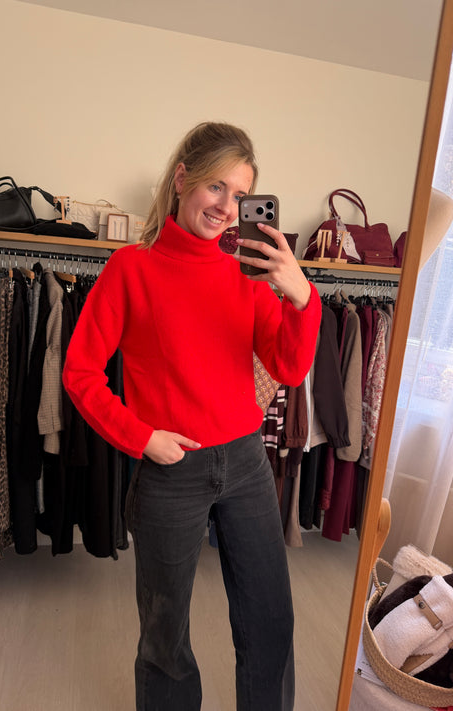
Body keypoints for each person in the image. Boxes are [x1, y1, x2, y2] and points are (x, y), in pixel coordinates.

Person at [62, 121, 322, 711]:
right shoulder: (131, 268)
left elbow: (286, 366)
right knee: (165, 636)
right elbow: (79, 373)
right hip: (171, 469)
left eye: (240, 194)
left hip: (247, 463)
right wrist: (141, 437)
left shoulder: (247, 273)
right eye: (216, 187)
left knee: (271, 619)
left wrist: (301, 297)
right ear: (182, 179)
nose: (227, 207)